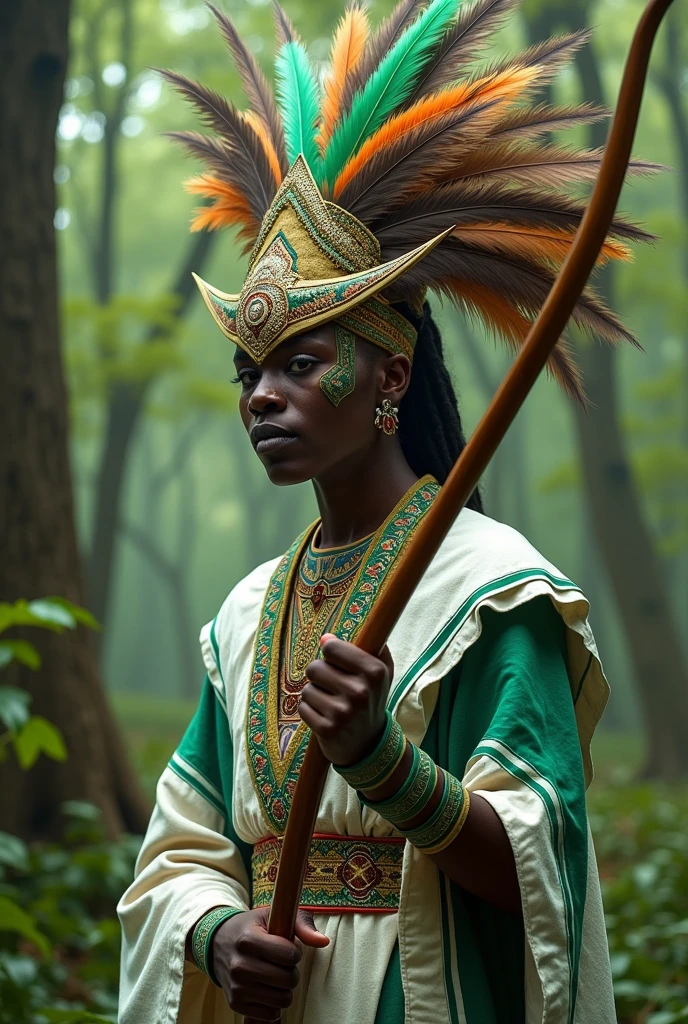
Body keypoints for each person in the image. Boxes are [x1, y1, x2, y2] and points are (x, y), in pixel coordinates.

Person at [118, 1, 650, 1021]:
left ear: (389, 377)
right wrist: (220, 934)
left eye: (300, 363)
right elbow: (183, 843)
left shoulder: (491, 593)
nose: (261, 396)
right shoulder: (243, 619)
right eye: (249, 372)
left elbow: (540, 863)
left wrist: (382, 760)